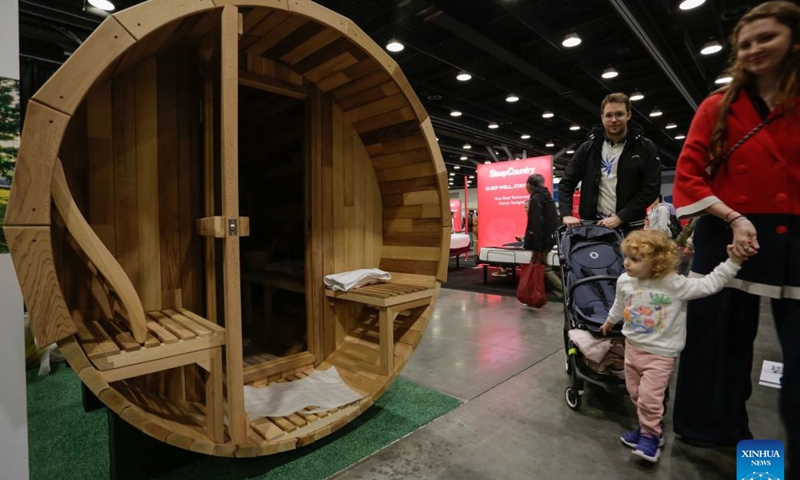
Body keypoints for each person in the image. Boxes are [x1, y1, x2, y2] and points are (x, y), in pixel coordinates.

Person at [670, 1, 800, 472]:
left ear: (793, 41)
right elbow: (688, 175)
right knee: (717, 341)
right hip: (726, 228)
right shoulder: (717, 107)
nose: (754, 49)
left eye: (766, 38)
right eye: (745, 43)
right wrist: (734, 217)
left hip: (795, 234)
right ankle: (723, 439)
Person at [599, 230, 743, 463]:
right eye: (626, 256)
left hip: (660, 354)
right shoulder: (625, 280)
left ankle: (650, 438)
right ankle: (648, 427)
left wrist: (733, 262)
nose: (626, 262)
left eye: (635, 259)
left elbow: (709, 284)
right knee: (636, 395)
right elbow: (619, 303)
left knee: (649, 399)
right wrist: (609, 321)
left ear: (657, 262)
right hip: (632, 348)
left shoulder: (673, 284)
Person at [558, 92, 662, 233]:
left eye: (619, 114)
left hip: (630, 227)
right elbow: (567, 181)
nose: (613, 120)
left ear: (628, 115)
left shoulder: (645, 147)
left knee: (630, 256)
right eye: (608, 115)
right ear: (602, 118)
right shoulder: (588, 148)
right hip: (592, 226)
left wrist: (621, 216)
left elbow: (651, 187)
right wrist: (566, 213)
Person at [522, 174, 563, 298]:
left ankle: (565, 293)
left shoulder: (536, 198)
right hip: (548, 239)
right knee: (539, 266)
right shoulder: (547, 197)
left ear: (529, 185)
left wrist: (535, 244)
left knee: (543, 268)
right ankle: (529, 294)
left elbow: (536, 223)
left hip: (541, 241)